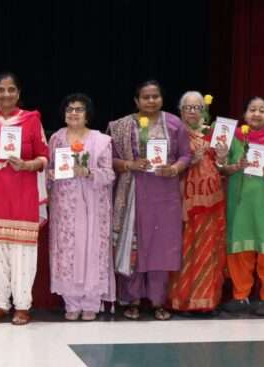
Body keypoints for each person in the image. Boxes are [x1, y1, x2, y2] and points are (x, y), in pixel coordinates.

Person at [108, 80, 191, 321]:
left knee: (160, 248)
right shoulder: (122, 126)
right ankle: (132, 300)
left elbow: (186, 154)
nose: (151, 100)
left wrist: (174, 168)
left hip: (164, 195)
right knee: (133, 245)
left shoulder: (174, 124)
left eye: (155, 96)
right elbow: (110, 158)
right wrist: (130, 165)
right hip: (132, 193)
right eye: (146, 97)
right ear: (136, 101)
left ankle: (157, 301)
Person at [0, 72, 49, 326]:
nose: (6, 94)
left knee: (22, 252)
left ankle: (22, 305)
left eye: (11, 89)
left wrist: (28, 165)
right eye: (1, 90)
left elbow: (44, 156)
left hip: (22, 193)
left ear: (18, 93)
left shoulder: (31, 120)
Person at [218, 96, 264, 317]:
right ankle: (240, 296)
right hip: (239, 204)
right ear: (244, 114)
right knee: (240, 250)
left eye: (262, 110)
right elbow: (223, 168)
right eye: (252, 109)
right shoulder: (233, 137)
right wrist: (234, 165)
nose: (257, 114)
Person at [46, 93, 115, 321]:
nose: (73, 113)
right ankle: (72, 303)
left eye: (79, 109)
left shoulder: (101, 140)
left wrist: (86, 171)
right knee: (67, 251)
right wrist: (52, 174)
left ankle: (91, 303)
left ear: (88, 115)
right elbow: (49, 171)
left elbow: (109, 173)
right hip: (65, 206)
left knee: (92, 249)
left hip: (94, 206)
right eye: (69, 109)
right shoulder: (56, 139)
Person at [166, 91, 227, 314]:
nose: (192, 111)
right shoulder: (174, 133)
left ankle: (206, 299)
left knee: (209, 246)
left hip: (212, 199)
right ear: (180, 110)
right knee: (185, 247)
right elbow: (168, 163)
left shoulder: (214, 133)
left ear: (204, 110)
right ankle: (182, 299)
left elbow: (221, 165)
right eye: (188, 107)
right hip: (184, 198)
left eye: (197, 107)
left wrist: (221, 157)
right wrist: (193, 160)